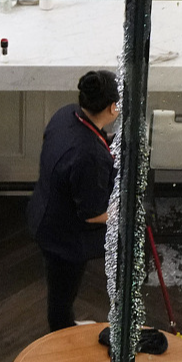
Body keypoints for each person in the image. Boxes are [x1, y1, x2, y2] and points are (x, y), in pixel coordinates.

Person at [28, 69, 119, 331]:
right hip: (63, 238)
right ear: (113, 107)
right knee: (61, 299)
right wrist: (123, 211)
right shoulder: (89, 156)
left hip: (45, 210)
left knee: (59, 292)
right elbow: (92, 213)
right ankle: (61, 339)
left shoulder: (66, 114)